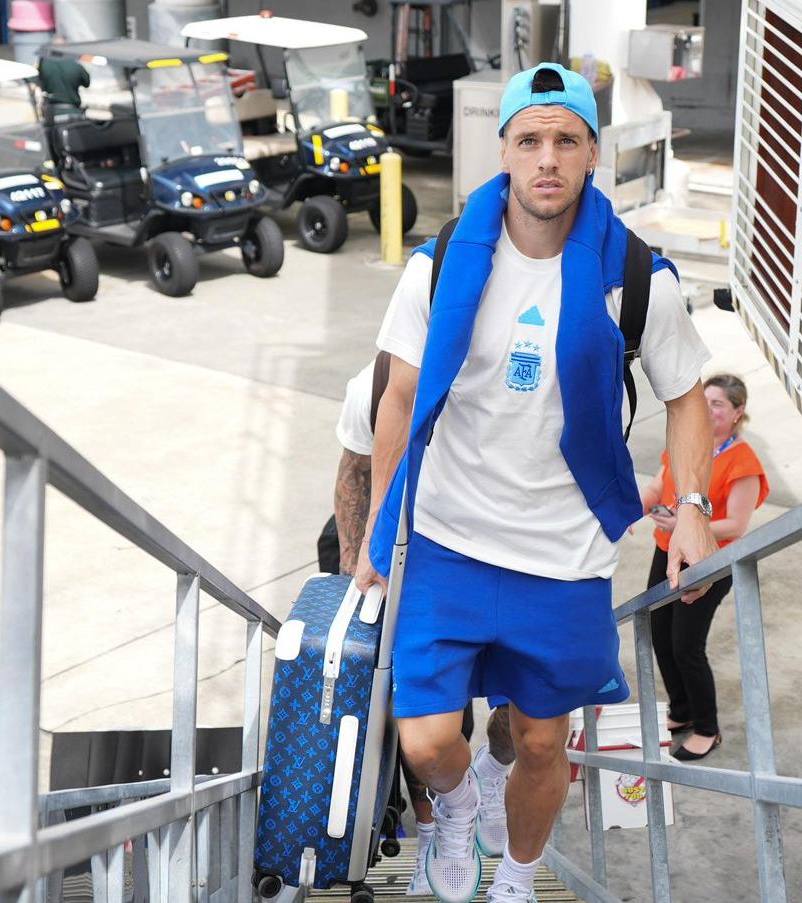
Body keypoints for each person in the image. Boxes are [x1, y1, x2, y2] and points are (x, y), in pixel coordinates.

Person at [352, 63, 715, 903]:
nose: (548, 158)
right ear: (505, 151)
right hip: (447, 537)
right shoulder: (439, 264)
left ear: (592, 153)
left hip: (564, 553)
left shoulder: (637, 279)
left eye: (566, 140)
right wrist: (378, 527)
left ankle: (515, 876)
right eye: (530, 140)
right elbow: (398, 399)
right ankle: (455, 809)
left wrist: (693, 505)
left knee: (544, 744)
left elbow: (688, 396)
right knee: (426, 741)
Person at [323, 356, 519, 895]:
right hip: (411, 548)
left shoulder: (503, 361)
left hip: (500, 543)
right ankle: (435, 831)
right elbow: (353, 473)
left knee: (520, 712)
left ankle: (493, 770)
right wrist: (355, 568)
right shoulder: (372, 386)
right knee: (418, 712)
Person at [641, 372, 770, 761]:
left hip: (710, 558)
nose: (709, 410)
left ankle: (708, 728)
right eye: (705, 402)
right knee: (660, 636)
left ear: (738, 412)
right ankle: (681, 712)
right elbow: (657, 485)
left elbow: (737, 524)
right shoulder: (690, 444)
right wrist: (638, 507)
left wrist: (687, 522)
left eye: (718, 404)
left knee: (686, 647)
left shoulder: (743, 461)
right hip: (667, 549)